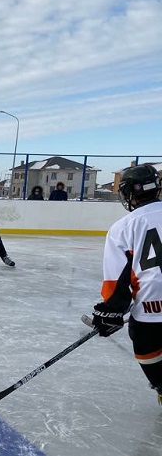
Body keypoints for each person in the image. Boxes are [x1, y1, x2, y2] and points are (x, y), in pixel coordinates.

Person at [90, 164, 162, 404]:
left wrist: (111, 311)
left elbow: (115, 280)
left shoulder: (123, 227)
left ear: (129, 192)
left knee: (145, 344)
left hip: (153, 311)